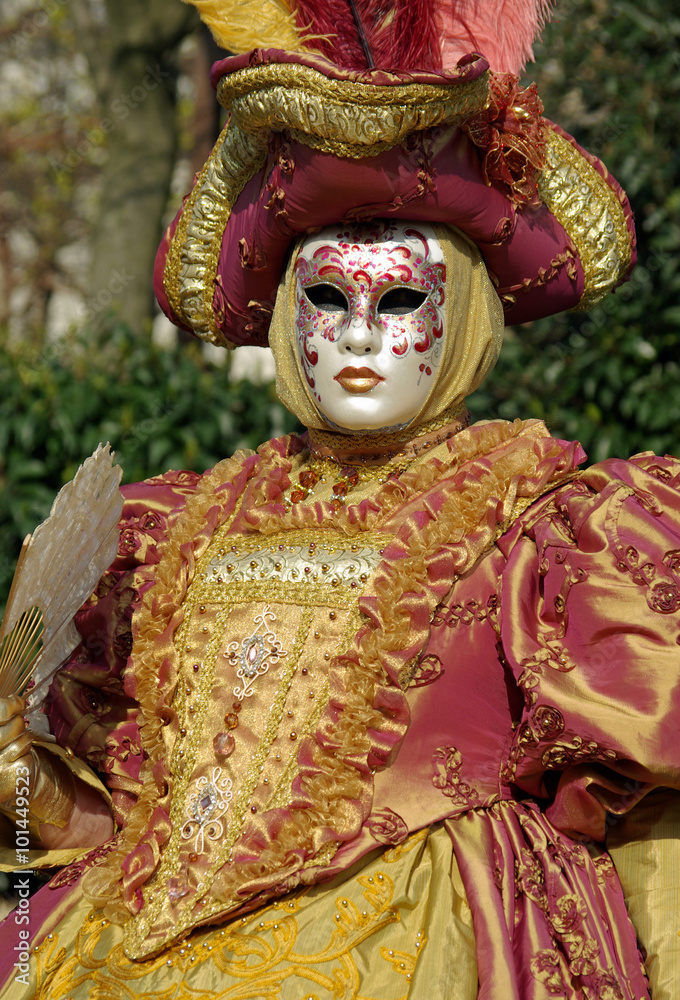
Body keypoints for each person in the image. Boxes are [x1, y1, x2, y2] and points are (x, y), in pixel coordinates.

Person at [1, 2, 679, 998]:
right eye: (328, 299)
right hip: (131, 947)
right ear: (286, 313)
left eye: (399, 300)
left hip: (422, 947)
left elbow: (635, 801)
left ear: (460, 318)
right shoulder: (174, 531)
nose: (358, 334)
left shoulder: (545, 529)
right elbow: (126, 820)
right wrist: (28, 786)